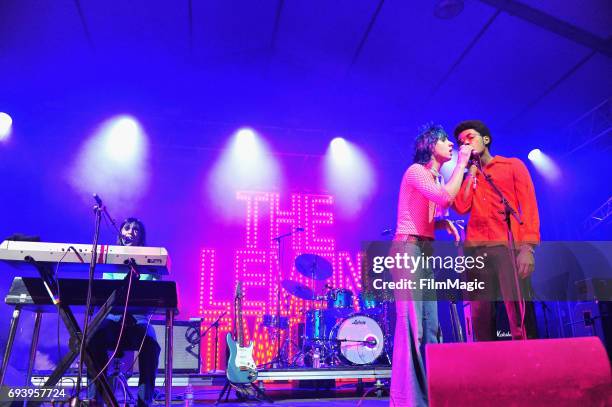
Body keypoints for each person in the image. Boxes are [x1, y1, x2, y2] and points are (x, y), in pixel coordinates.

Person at [389, 124, 472, 407]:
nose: (451, 144)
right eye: (445, 140)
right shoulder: (416, 172)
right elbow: (445, 197)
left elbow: (433, 207)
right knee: (412, 326)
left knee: (431, 327)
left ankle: (430, 396)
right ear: (429, 145)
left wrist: (441, 221)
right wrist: (462, 162)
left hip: (423, 251)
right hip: (408, 249)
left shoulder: (433, 177)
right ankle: (407, 400)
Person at [452, 120, 540, 341]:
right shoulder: (468, 175)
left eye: (470, 137)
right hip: (476, 251)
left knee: (519, 313)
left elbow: (528, 207)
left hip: (507, 245)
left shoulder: (512, 166)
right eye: (461, 141)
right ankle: (488, 369)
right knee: (480, 315)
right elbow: (461, 207)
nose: (465, 143)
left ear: (486, 139)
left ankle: (530, 364)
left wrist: (527, 248)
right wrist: (468, 171)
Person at [87, 218, 161, 407]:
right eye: (127, 228)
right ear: (120, 233)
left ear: (141, 237)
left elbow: (156, 294)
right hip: (113, 317)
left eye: (136, 229)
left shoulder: (150, 260)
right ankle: (96, 399)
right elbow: (105, 292)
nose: (131, 231)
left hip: (139, 319)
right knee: (93, 339)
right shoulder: (110, 258)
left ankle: (144, 402)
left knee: (151, 345)